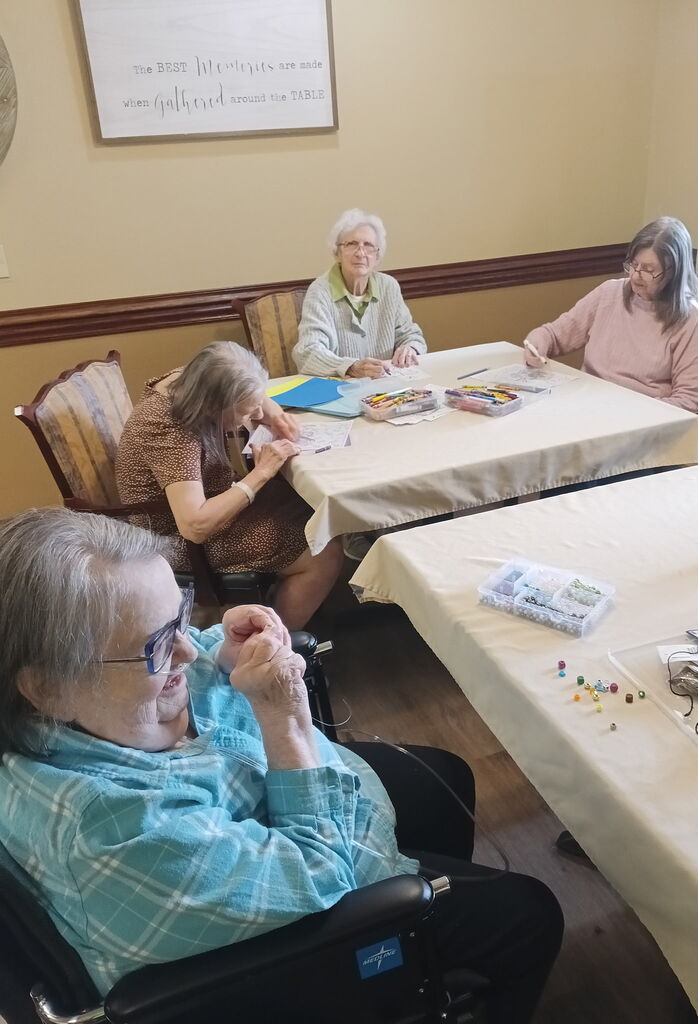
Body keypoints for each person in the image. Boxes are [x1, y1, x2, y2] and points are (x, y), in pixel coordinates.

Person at [0, 508, 563, 1024]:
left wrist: (222, 644)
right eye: (158, 645)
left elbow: (181, 651)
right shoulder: (115, 828)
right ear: (49, 688)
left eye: (180, 616)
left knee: (443, 778)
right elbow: (318, 872)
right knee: (528, 914)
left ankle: (430, 944)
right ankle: (411, 960)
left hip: (264, 822)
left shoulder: (77, 703)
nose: (187, 653)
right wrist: (286, 718)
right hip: (285, 946)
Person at [116, 340, 343, 630]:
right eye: (246, 412)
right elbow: (194, 526)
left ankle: (278, 611)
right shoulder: (169, 428)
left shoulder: (194, 379)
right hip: (176, 537)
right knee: (323, 548)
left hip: (211, 499)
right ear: (214, 405)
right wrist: (261, 473)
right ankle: (268, 642)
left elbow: (251, 393)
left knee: (314, 508)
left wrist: (273, 413)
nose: (255, 417)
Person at [524, 216, 698, 411]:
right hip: (585, 403)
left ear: (672, 273)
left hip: (639, 416)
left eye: (648, 270)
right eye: (633, 264)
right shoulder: (609, 292)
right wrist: (537, 342)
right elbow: (554, 335)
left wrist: (631, 414)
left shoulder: (689, 317)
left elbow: (688, 398)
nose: (635, 276)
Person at [293, 208, 428, 379]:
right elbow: (307, 352)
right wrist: (350, 367)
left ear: (377, 256)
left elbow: (411, 335)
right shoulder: (320, 291)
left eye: (369, 245)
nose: (360, 253)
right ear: (337, 253)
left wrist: (410, 348)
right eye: (351, 244)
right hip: (340, 388)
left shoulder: (388, 286)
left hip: (387, 385)